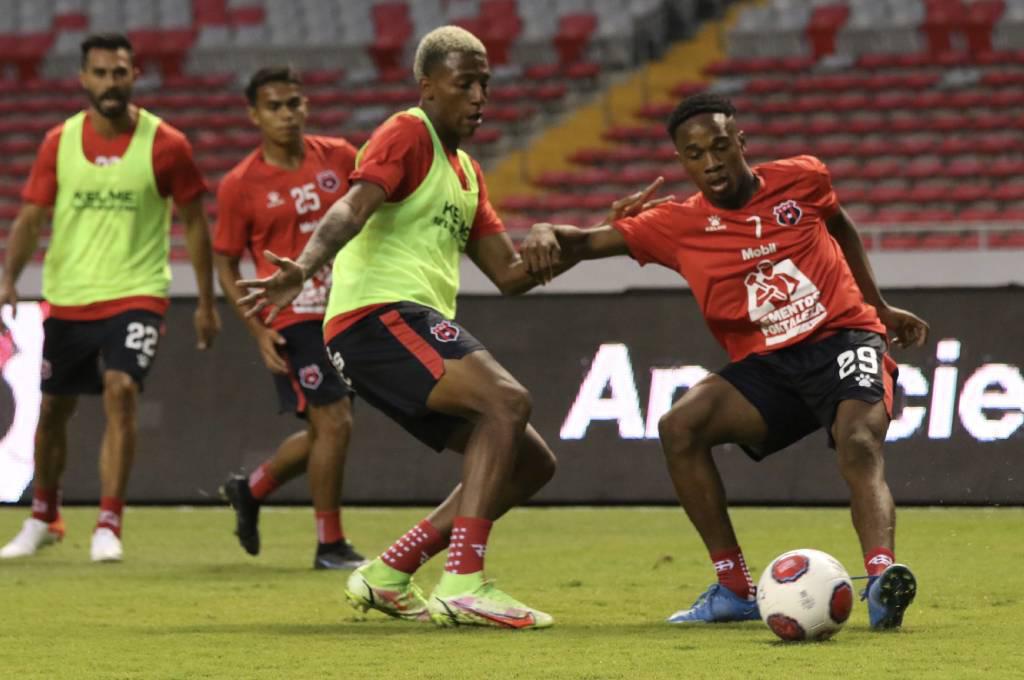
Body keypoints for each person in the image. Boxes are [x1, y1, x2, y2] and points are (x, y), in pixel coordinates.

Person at [237, 26, 661, 629]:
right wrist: (304, 265)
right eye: (466, 83)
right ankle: (464, 580)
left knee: (530, 462)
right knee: (507, 401)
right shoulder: (407, 132)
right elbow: (351, 207)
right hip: (375, 317)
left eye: (485, 83)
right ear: (428, 87)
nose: (480, 97)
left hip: (405, 326)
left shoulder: (467, 174)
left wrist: (591, 236)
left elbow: (512, 275)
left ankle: (388, 573)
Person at [520, 93, 929, 630]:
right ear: (682, 162)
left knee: (859, 442)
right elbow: (582, 243)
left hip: (844, 339)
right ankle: (734, 587)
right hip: (769, 366)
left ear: (741, 143)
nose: (710, 162)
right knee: (679, 427)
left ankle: (880, 580)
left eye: (719, 146)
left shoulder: (802, 178)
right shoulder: (675, 224)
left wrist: (877, 306)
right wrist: (545, 229)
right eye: (694, 154)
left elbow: (839, 225)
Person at [0, 33, 220, 562]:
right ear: (83, 78)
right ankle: (44, 517)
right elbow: (31, 216)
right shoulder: (59, 142)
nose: (109, 83)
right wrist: (9, 278)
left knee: (122, 390)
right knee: (54, 410)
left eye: (118, 73)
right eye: (99, 73)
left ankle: (108, 522)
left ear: (134, 75)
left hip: (137, 291)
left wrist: (208, 303)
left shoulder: (167, 144)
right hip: (70, 296)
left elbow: (194, 224)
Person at [213, 66, 365, 570]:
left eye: (294, 103)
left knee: (327, 431)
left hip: (345, 309)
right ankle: (329, 545)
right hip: (292, 317)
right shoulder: (240, 185)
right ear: (254, 115)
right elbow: (225, 258)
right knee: (336, 422)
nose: (286, 114)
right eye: (274, 106)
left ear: (306, 106)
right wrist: (256, 328)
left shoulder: (340, 157)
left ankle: (250, 489)